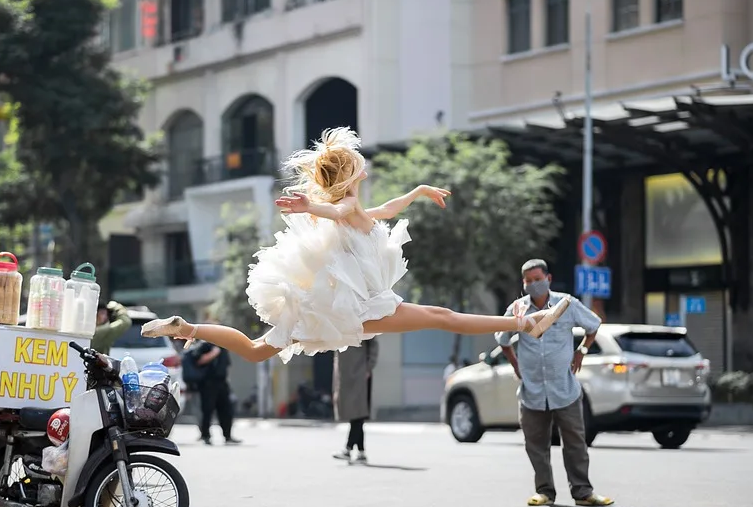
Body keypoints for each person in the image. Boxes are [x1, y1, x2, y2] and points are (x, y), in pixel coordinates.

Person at [140, 127, 570, 361]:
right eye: (361, 168)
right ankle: (524, 324)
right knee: (443, 316)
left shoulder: (356, 210)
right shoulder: (344, 206)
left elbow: (384, 210)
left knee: (255, 351)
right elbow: (341, 212)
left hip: (330, 310)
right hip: (360, 308)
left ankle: (189, 328)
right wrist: (314, 204)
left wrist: (420, 190)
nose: (366, 171)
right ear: (352, 175)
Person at [495, 259, 613, 507]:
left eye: (537, 279)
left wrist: (581, 350)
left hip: (564, 389)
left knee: (575, 443)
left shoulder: (566, 303)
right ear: (523, 283)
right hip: (532, 390)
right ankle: (545, 491)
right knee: (535, 444)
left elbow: (593, 325)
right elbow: (503, 339)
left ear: (548, 278)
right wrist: (515, 365)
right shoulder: (518, 309)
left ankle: (583, 492)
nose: (533, 284)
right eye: (528, 281)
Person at [332, 338, 379, 464]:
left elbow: (373, 343)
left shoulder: (363, 320)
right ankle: (361, 451)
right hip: (346, 373)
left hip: (360, 372)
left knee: (358, 411)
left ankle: (348, 449)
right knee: (356, 412)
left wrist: (369, 367)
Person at [187, 341, 241, 445]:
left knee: (226, 411)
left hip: (222, 383)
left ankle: (228, 436)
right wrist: (213, 353)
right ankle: (205, 435)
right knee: (207, 411)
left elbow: (226, 366)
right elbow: (199, 361)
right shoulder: (204, 345)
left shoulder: (223, 346)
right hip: (208, 384)